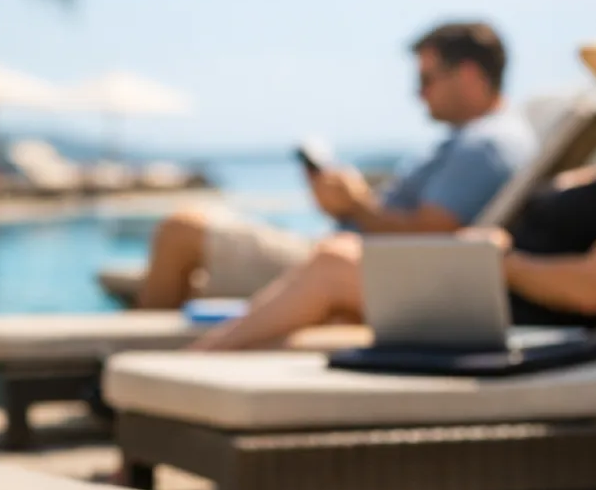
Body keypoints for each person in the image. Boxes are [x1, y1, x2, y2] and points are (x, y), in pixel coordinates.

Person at [183, 0, 596, 353]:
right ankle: (181, 391)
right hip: (494, 297)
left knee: (335, 262)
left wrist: (500, 259)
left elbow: (594, 288)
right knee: (315, 311)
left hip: (515, 313)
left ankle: (180, 374)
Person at [136, 21, 539, 309]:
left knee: (182, 229)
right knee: (188, 260)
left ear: (468, 76)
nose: (418, 94)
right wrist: (346, 205)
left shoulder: (486, 144)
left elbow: (433, 238)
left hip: (350, 271)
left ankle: (131, 375)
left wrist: (356, 206)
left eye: (427, 79)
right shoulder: (482, 140)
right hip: (345, 258)